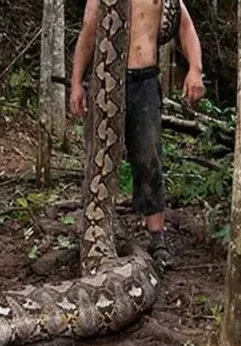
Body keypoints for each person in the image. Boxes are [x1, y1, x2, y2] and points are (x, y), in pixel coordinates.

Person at [69, 0, 205, 268]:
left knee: (148, 156)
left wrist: (195, 69)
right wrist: (76, 83)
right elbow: (88, 33)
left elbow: (185, 27)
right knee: (97, 157)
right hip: (105, 80)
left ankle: (157, 237)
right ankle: (95, 231)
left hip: (144, 81)